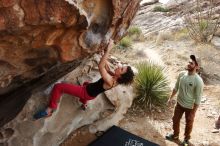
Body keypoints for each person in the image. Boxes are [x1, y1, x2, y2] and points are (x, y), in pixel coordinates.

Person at [34, 40, 134, 119]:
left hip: (85, 92)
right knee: (86, 83)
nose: (119, 66)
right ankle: (84, 103)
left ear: (120, 76)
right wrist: (103, 53)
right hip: (91, 93)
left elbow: (101, 67)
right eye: (122, 66)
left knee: (58, 87)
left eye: (121, 69)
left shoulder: (110, 81)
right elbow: (107, 68)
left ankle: (50, 109)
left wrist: (108, 50)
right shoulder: (115, 79)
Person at [166, 55, 204, 146]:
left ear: (197, 67)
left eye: (191, 63)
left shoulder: (198, 81)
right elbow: (176, 88)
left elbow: (198, 99)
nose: (189, 64)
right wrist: (170, 98)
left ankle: (186, 139)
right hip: (179, 103)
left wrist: (193, 113)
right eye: (188, 62)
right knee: (175, 119)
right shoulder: (181, 74)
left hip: (190, 107)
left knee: (189, 123)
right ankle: (175, 135)